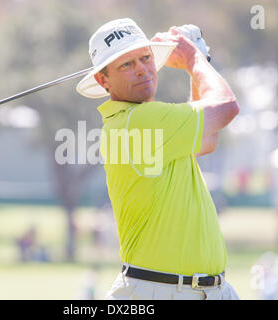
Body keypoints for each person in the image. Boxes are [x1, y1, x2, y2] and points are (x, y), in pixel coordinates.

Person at [76, 18, 239, 300]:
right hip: (160, 291)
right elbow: (226, 108)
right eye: (126, 64)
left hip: (211, 291)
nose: (142, 69)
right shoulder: (139, 121)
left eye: (145, 57)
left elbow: (208, 138)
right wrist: (193, 58)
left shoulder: (149, 125)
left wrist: (194, 66)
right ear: (103, 80)